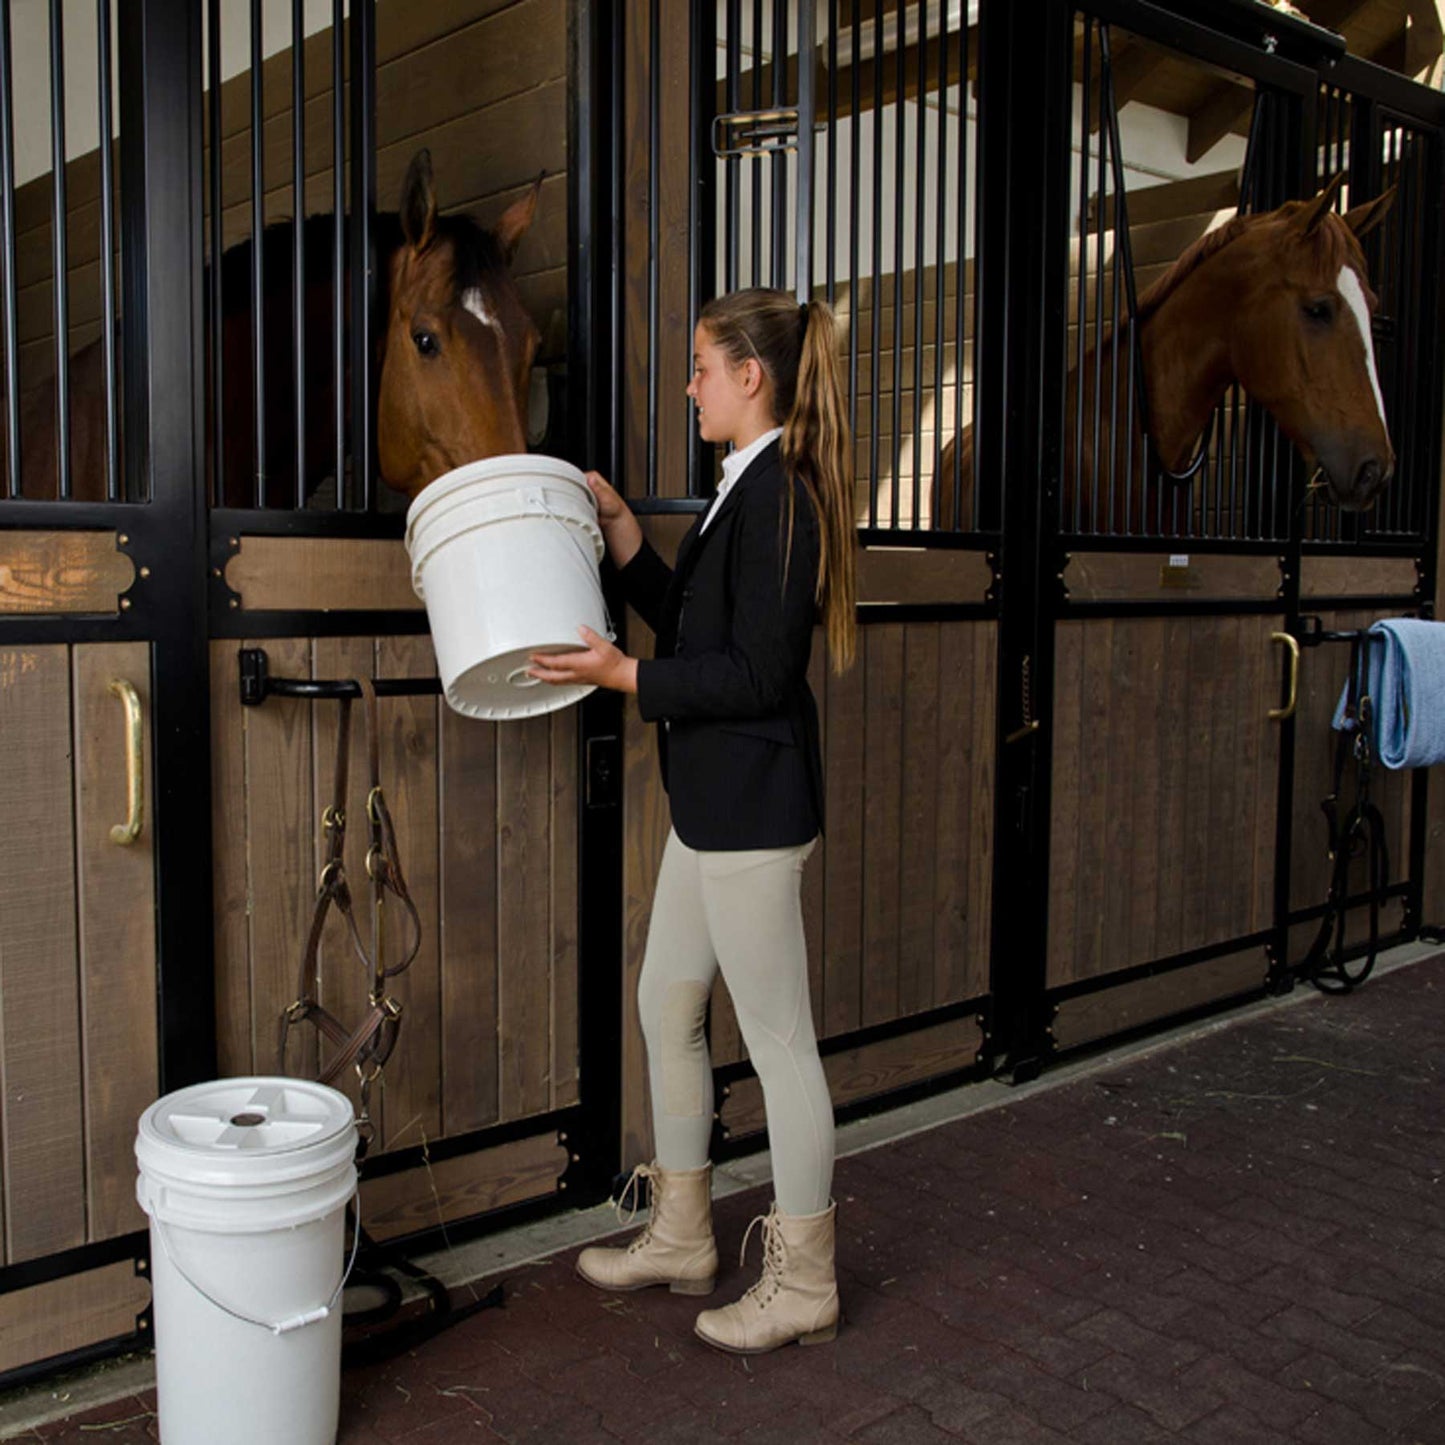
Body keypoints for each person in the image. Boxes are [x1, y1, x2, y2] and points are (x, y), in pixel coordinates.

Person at [528, 287, 857, 1355]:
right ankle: (681, 1232)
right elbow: (699, 625)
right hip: (711, 808)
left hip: (752, 812)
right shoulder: (745, 487)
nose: (690, 386)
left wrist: (627, 675)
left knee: (778, 1046)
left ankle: (803, 1280)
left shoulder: (785, 494)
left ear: (748, 377)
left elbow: (757, 670)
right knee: (665, 999)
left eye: (701, 367)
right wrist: (627, 542)